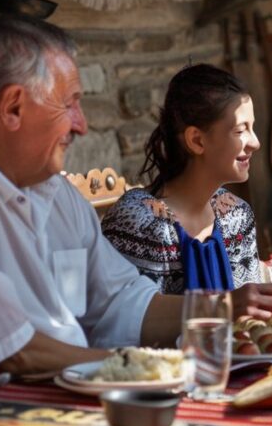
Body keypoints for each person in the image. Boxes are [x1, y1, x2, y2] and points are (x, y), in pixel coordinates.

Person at [0, 16, 272, 390]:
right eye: (70, 103)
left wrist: (223, 307)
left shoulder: (56, 194)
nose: (82, 124)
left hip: (71, 406)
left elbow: (119, 300)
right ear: (12, 107)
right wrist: (145, 367)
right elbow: (12, 351)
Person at [102, 64, 262, 293]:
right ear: (197, 140)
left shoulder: (236, 217)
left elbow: (249, 317)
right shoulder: (140, 224)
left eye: (252, 128)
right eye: (240, 130)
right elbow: (128, 321)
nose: (255, 142)